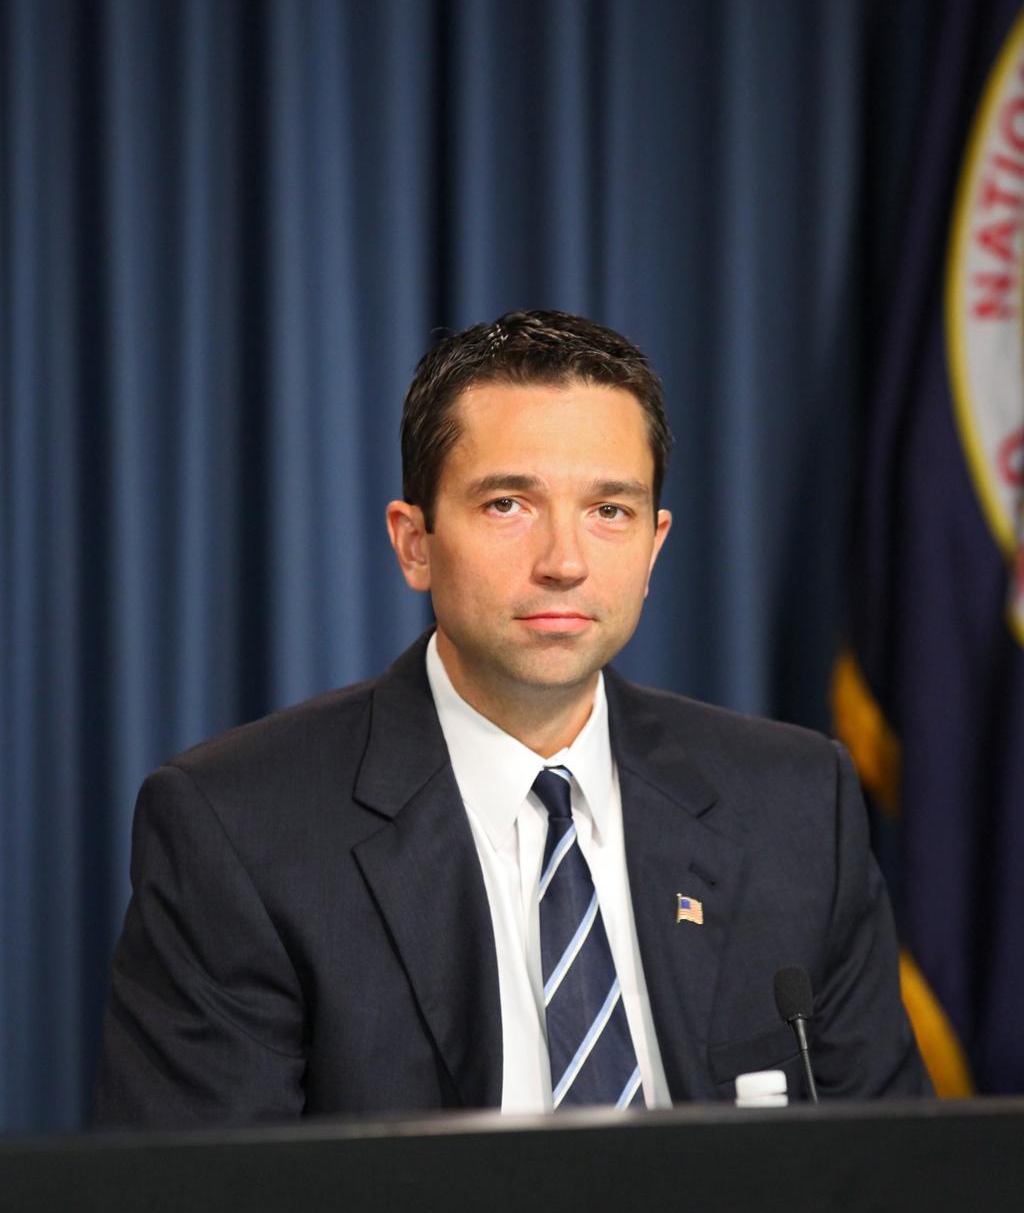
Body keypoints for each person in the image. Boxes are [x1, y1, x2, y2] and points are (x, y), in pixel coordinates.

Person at [94, 310, 929, 1126]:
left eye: (611, 511)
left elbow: (893, 1173)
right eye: (508, 505)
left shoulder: (794, 803)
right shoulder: (238, 827)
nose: (564, 562)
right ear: (414, 541)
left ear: (654, 547)